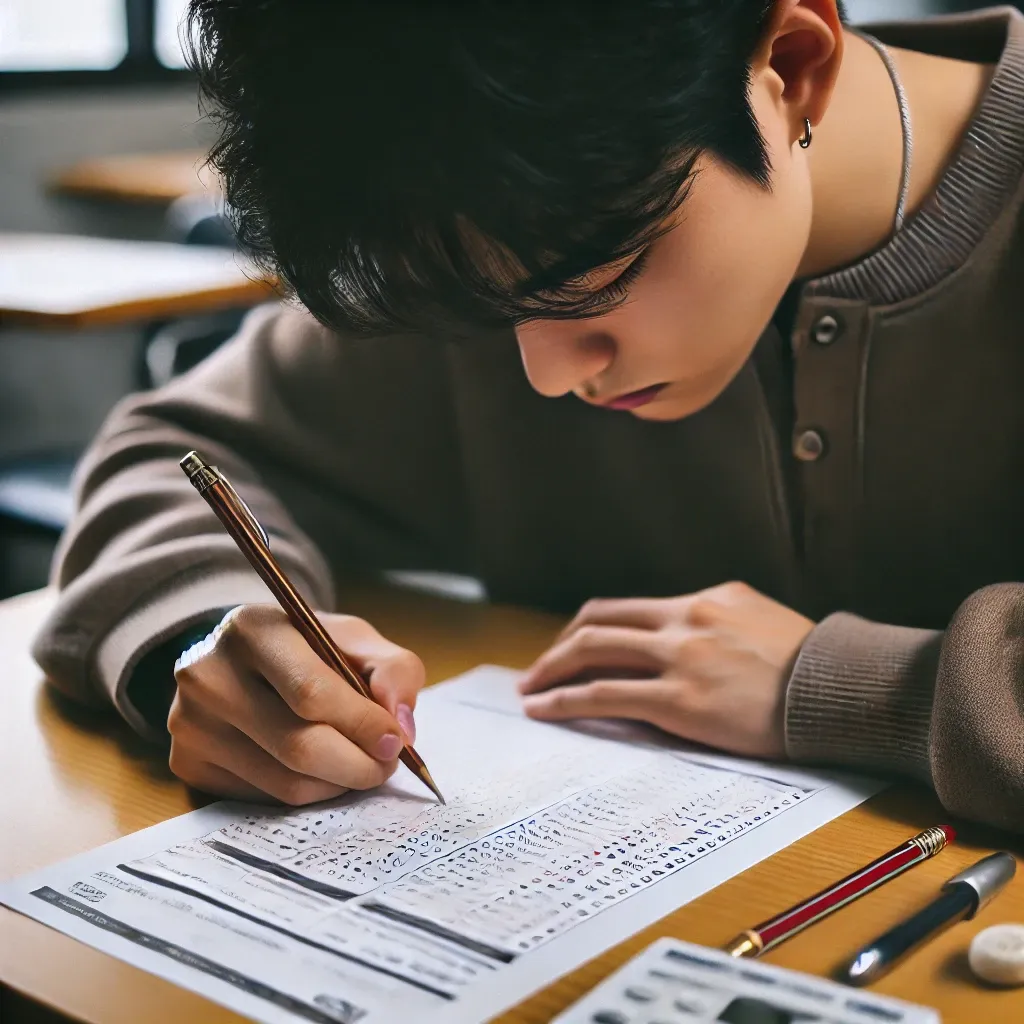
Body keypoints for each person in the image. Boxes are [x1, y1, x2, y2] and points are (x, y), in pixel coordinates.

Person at [34, 0, 1024, 831]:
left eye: (594, 285)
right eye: (493, 313)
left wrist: (862, 688)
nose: (545, 377)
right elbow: (176, 449)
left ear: (792, 64)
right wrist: (200, 638)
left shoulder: (574, 163)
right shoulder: (479, 228)